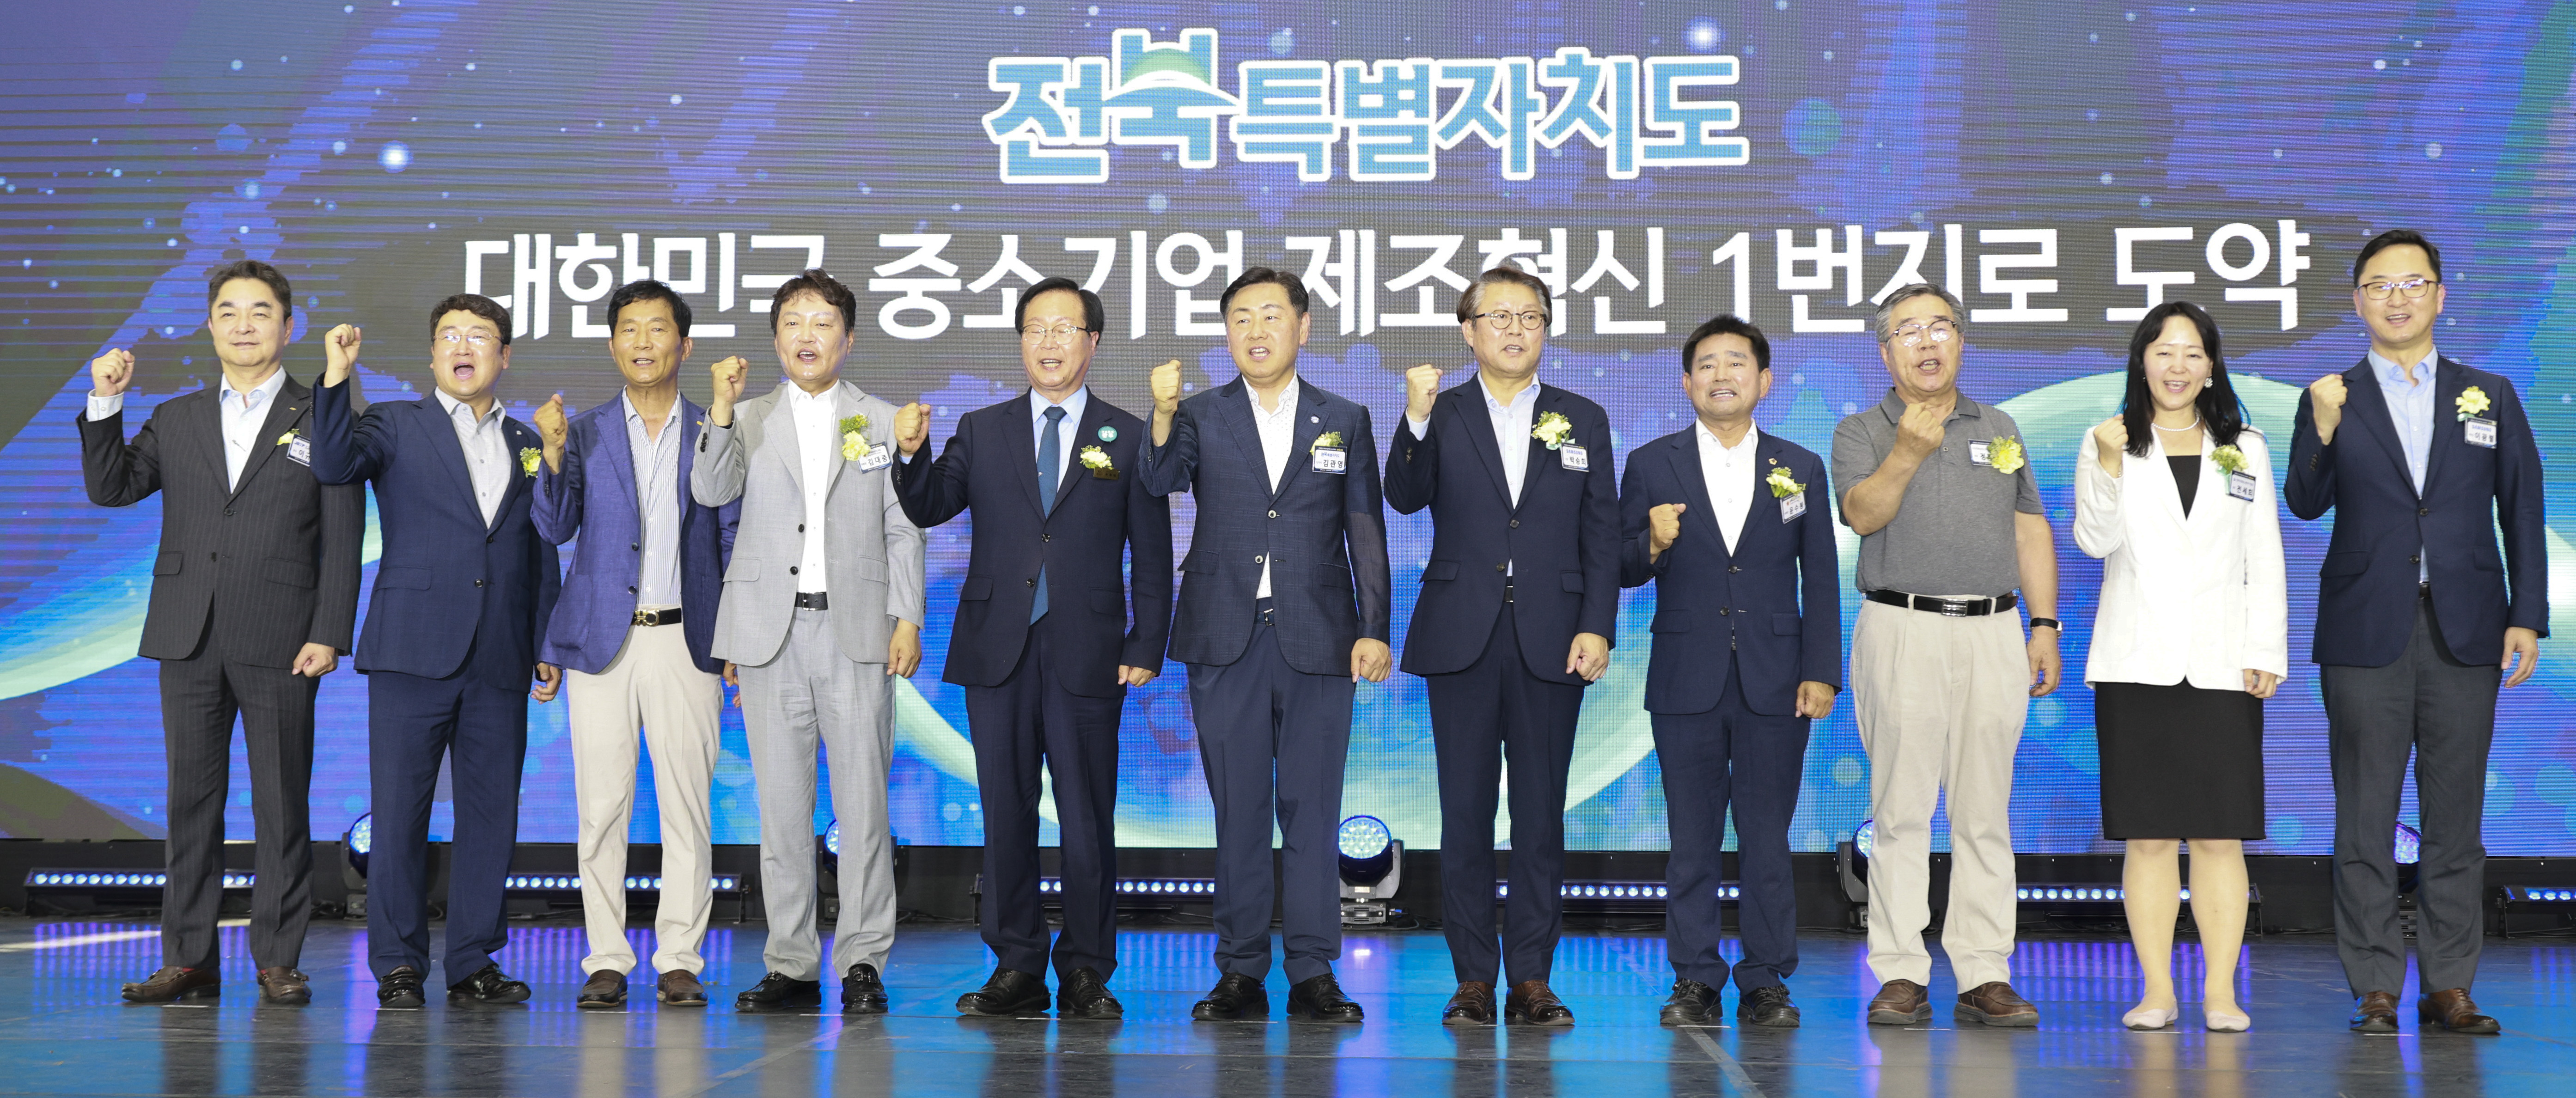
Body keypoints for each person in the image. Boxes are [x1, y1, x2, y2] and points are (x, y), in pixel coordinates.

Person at [79, 260, 364, 1006]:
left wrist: (330, 631)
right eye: (229, 312)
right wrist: (106, 401)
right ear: (210, 326)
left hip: (284, 636)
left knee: (282, 804)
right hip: (188, 633)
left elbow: (344, 534)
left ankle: (278, 958)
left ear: (288, 327)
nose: (244, 325)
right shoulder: (176, 417)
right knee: (191, 805)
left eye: (260, 312)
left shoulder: (320, 413)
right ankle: (189, 959)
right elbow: (113, 488)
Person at [888, 277, 1172, 1020]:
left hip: (1090, 649)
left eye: (1063, 329)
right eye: (1035, 329)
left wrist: (1147, 638)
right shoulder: (983, 429)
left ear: (1092, 342)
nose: (1048, 343)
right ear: (1021, 342)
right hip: (998, 649)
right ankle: (1015, 963)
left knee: (1087, 817)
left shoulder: (1126, 434)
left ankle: (1085, 969)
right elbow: (929, 504)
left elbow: (1150, 550)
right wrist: (911, 455)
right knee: (1005, 812)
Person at [2285, 230, 2545, 1036]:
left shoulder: (2487, 394)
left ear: (2438, 295)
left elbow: (2522, 509)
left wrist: (2526, 615)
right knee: (2363, 815)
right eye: (2378, 284)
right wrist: (2321, 425)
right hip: (2364, 630)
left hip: (2467, 628)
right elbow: (2303, 502)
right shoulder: (2331, 394)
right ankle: (2373, 983)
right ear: (2356, 300)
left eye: (2411, 283)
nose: (2395, 298)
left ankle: (2447, 984)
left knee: (2455, 817)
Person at [1139, 267, 1390, 1023]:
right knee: (1239, 811)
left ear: (1302, 327)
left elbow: (1365, 529)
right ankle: (1241, 969)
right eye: (1241, 317)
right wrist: (1160, 413)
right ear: (1227, 333)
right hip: (1225, 635)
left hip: (1321, 637)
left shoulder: (1343, 417)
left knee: (1312, 811)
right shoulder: (1198, 413)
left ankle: (1313, 970)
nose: (1256, 330)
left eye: (1271, 316)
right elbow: (1158, 480)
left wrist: (1374, 628)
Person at [308, 293, 563, 1009]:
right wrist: (337, 377)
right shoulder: (394, 423)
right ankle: (397, 963)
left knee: (491, 817)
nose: (463, 346)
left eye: (479, 336)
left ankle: (474, 960)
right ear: (431, 355)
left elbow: (541, 545)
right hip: (411, 648)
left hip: (500, 653)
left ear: (503, 356)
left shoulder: (526, 440)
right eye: (449, 335)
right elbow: (332, 462)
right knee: (399, 815)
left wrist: (545, 638)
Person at [1384, 267, 1617, 1028]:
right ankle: (1473, 979)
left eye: (1530, 317)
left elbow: (1601, 533)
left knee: (1541, 815)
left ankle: (1532, 978)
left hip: (1554, 637)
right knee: (1465, 814)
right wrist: (1414, 418)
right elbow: (1404, 496)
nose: (1515, 330)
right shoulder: (1442, 412)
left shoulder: (1582, 417)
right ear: (1469, 330)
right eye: (1499, 317)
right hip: (1462, 635)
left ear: (1545, 328)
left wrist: (1597, 624)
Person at [690, 268, 926, 1015]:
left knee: (864, 811)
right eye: (793, 322)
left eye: (822, 322)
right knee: (781, 812)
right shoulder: (746, 416)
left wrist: (908, 617)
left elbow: (902, 527)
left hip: (857, 631)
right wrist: (719, 410)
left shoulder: (880, 421)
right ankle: (790, 962)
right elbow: (710, 492)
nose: (807, 335)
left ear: (847, 339)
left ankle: (862, 961)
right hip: (769, 634)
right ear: (775, 339)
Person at [1831, 283, 2060, 1029]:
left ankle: (1983, 971)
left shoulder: (1998, 426)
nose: (1926, 342)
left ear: (1960, 342)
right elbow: (1861, 514)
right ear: (1885, 352)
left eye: (1939, 328)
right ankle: (1900, 970)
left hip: (1993, 628)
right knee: (1900, 812)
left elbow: (2028, 527)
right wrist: (1907, 451)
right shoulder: (1860, 430)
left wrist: (2044, 624)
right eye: (1907, 331)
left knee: (1983, 812)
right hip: (1900, 624)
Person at [1617, 315, 1838, 1029]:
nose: (1721, 375)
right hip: (1685, 675)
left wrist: (1821, 670)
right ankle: (1695, 978)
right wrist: (1650, 542)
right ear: (1686, 383)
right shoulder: (1650, 463)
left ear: (1763, 381)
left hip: (1778, 677)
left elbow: (1821, 576)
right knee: (1691, 840)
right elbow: (1618, 564)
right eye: (1706, 364)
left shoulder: (1799, 465)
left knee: (1767, 838)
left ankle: (1766, 977)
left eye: (1736, 363)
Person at [2072, 301, 2286, 1033]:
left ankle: (2220, 992)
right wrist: (2107, 467)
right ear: (2141, 362)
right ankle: (2157, 990)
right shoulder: (2108, 441)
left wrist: (2265, 650)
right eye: (2163, 352)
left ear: (2211, 368)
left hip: (2223, 664)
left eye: (2192, 353)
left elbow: (2263, 553)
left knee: (2220, 835)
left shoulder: (2243, 447)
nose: (2177, 366)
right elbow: (2093, 541)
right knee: (2150, 836)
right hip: (2136, 665)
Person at [528, 280, 739, 1011]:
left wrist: (736, 638)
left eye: (657, 329)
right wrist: (553, 453)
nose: (642, 342)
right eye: (629, 329)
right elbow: (553, 528)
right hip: (601, 645)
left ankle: (679, 957)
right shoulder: (581, 432)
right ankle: (607, 959)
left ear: (685, 345)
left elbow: (732, 537)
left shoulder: (716, 428)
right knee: (601, 809)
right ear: (613, 344)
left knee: (688, 809)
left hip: (688, 640)